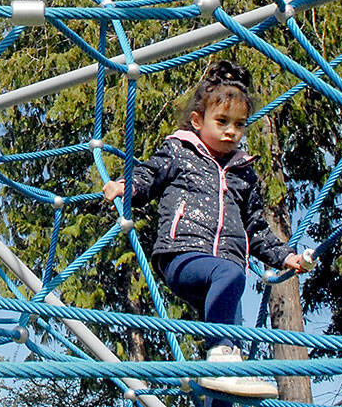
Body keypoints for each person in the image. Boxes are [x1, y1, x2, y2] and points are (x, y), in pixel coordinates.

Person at [102, 60, 306, 403]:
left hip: (224, 272)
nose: (231, 131)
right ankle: (221, 356)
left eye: (239, 124)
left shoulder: (243, 172)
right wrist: (126, 186)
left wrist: (286, 256)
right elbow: (149, 176)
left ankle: (218, 378)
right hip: (183, 258)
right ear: (198, 121)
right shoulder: (180, 152)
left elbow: (256, 226)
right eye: (222, 121)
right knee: (229, 288)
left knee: (228, 362)